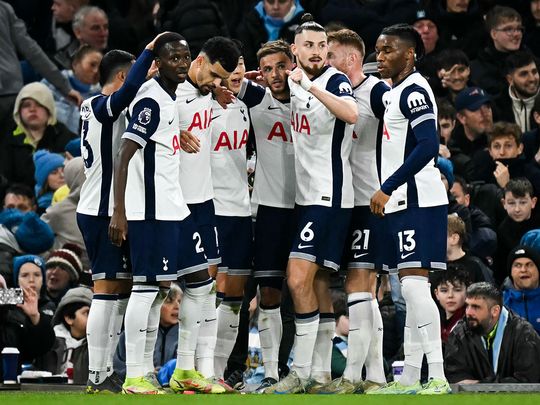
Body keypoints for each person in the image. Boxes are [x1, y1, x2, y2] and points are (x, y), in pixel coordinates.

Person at [108, 32, 223, 395]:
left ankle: (185, 370)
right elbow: (123, 153)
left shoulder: (170, 100)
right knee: (147, 291)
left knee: (202, 286)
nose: (181, 63)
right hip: (151, 214)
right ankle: (135, 375)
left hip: (176, 210)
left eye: (185, 56)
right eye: (173, 58)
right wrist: (120, 212)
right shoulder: (151, 101)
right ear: (158, 63)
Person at [264, 14, 358, 394]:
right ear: (295, 50)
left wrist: (309, 86)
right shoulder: (293, 81)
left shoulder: (333, 80)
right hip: (307, 197)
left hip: (330, 195)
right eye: (310, 46)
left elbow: (351, 114)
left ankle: (299, 371)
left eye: (322, 46)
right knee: (317, 284)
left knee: (297, 277)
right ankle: (319, 372)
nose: (318, 52)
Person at [76, 33, 165, 394]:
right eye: (133, 76)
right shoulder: (101, 105)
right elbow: (127, 92)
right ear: (120, 78)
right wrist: (146, 55)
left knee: (120, 290)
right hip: (102, 210)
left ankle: (106, 369)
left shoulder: (95, 106)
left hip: (105, 207)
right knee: (106, 289)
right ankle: (97, 374)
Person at [367, 24, 450, 395]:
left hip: (417, 199)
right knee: (410, 288)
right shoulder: (395, 90)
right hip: (402, 202)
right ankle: (411, 377)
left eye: (387, 51)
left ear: (410, 54)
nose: (380, 57)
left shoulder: (414, 90)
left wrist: (387, 186)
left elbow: (428, 145)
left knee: (416, 291)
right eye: (377, 51)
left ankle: (438, 376)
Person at [315, 28, 388, 394]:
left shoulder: (377, 91)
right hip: (349, 201)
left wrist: (391, 186)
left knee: (360, 286)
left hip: (372, 201)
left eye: (332, 54)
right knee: (360, 290)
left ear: (352, 58)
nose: (326, 61)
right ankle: (375, 376)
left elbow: (403, 136)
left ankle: (353, 376)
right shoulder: (337, 93)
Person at [229, 38, 296, 393]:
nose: (275, 75)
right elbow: (219, 79)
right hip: (268, 208)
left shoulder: (311, 98)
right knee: (264, 292)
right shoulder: (257, 98)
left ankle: (287, 369)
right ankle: (258, 370)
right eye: (267, 68)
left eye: (281, 66)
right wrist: (244, 75)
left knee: (296, 293)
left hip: (306, 206)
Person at [174, 36, 240, 382]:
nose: (217, 83)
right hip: (175, 206)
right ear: (198, 61)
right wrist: (174, 131)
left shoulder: (208, 95)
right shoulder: (170, 94)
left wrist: (217, 92)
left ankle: (204, 372)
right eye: (214, 75)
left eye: (223, 79)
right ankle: (172, 368)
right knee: (155, 292)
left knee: (207, 288)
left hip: (204, 202)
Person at [209, 53, 253, 381]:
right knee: (207, 292)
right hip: (211, 210)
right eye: (231, 65)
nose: (237, 70)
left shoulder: (244, 106)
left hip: (241, 210)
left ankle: (220, 373)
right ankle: (198, 369)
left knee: (235, 296)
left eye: (240, 64)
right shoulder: (199, 106)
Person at [445, 282, 540, 383]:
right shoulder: (459, 334)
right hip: (472, 399)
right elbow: (455, 376)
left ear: (495, 311)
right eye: (467, 306)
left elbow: (527, 380)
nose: (468, 312)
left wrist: (481, 385)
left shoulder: (524, 334)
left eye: (476, 307)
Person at [3, 82, 77, 191]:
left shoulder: (67, 139)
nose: (32, 109)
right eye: (26, 105)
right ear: (18, 111)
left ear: (49, 109)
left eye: (39, 104)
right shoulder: (7, 140)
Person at [0, 255, 55, 378]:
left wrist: (35, 317)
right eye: (25, 275)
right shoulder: (10, 313)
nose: (31, 280)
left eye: (37, 275)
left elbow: (39, 348)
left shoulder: (13, 318)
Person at [114, 283, 183, 381]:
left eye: (180, 301)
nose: (177, 306)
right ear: (153, 303)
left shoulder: (186, 335)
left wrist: (162, 373)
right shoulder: (132, 334)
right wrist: (140, 373)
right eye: (169, 301)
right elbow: (118, 368)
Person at [36, 286, 92, 384]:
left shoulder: (97, 346)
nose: (93, 318)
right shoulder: (50, 343)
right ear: (69, 318)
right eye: (87, 313)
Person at [43, 44, 102, 133]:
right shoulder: (51, 83)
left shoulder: (103, 96)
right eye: (92, 65)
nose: (96, 71)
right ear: (75, 64)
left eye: (100, 67)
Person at [471, 6, 525, 99]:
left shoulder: (532, 61)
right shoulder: (478, 68)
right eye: (509, 29)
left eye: (519, 29)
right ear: (494, 34)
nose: (516, 34)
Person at [236, 0, 305, 70]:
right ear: (263, 2)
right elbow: (247, 61)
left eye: (282, 1)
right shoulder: (246, 25)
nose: (276, 7)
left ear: (293, 1)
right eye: (270, 1)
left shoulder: (307, 24)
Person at [496, 178, 540, 284]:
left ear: (533, 202)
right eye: (511, 203)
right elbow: (502, 267)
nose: (517, 209)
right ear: (504, 204)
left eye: (523, 202)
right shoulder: (503, 230)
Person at [448, 86, 494, 180]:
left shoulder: (501, 142)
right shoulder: (451, 148)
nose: (485, 113)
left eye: (487, 107)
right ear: (461, 118)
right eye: (476, 109)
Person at [495, 51, 539, 133]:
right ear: (510, 79)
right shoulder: (497, 106)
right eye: (524, 74)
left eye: (534, 72)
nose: (532, 79)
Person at [502, 245, 540, 334]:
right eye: (517, 265)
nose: (523, 270)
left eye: (529, 265)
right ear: (510, 272)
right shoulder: (499, 302)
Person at [433, 268, 471, 345]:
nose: (450, 295)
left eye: (457, 290)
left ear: (467, 292)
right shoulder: (432, 321)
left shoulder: (470, 324)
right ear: (436, 294)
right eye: (444, 290)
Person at [33, 150, 66, 214]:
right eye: (54, 172)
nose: (62, 175)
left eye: (63, 170)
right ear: (44, 179)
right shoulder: (42, 208)